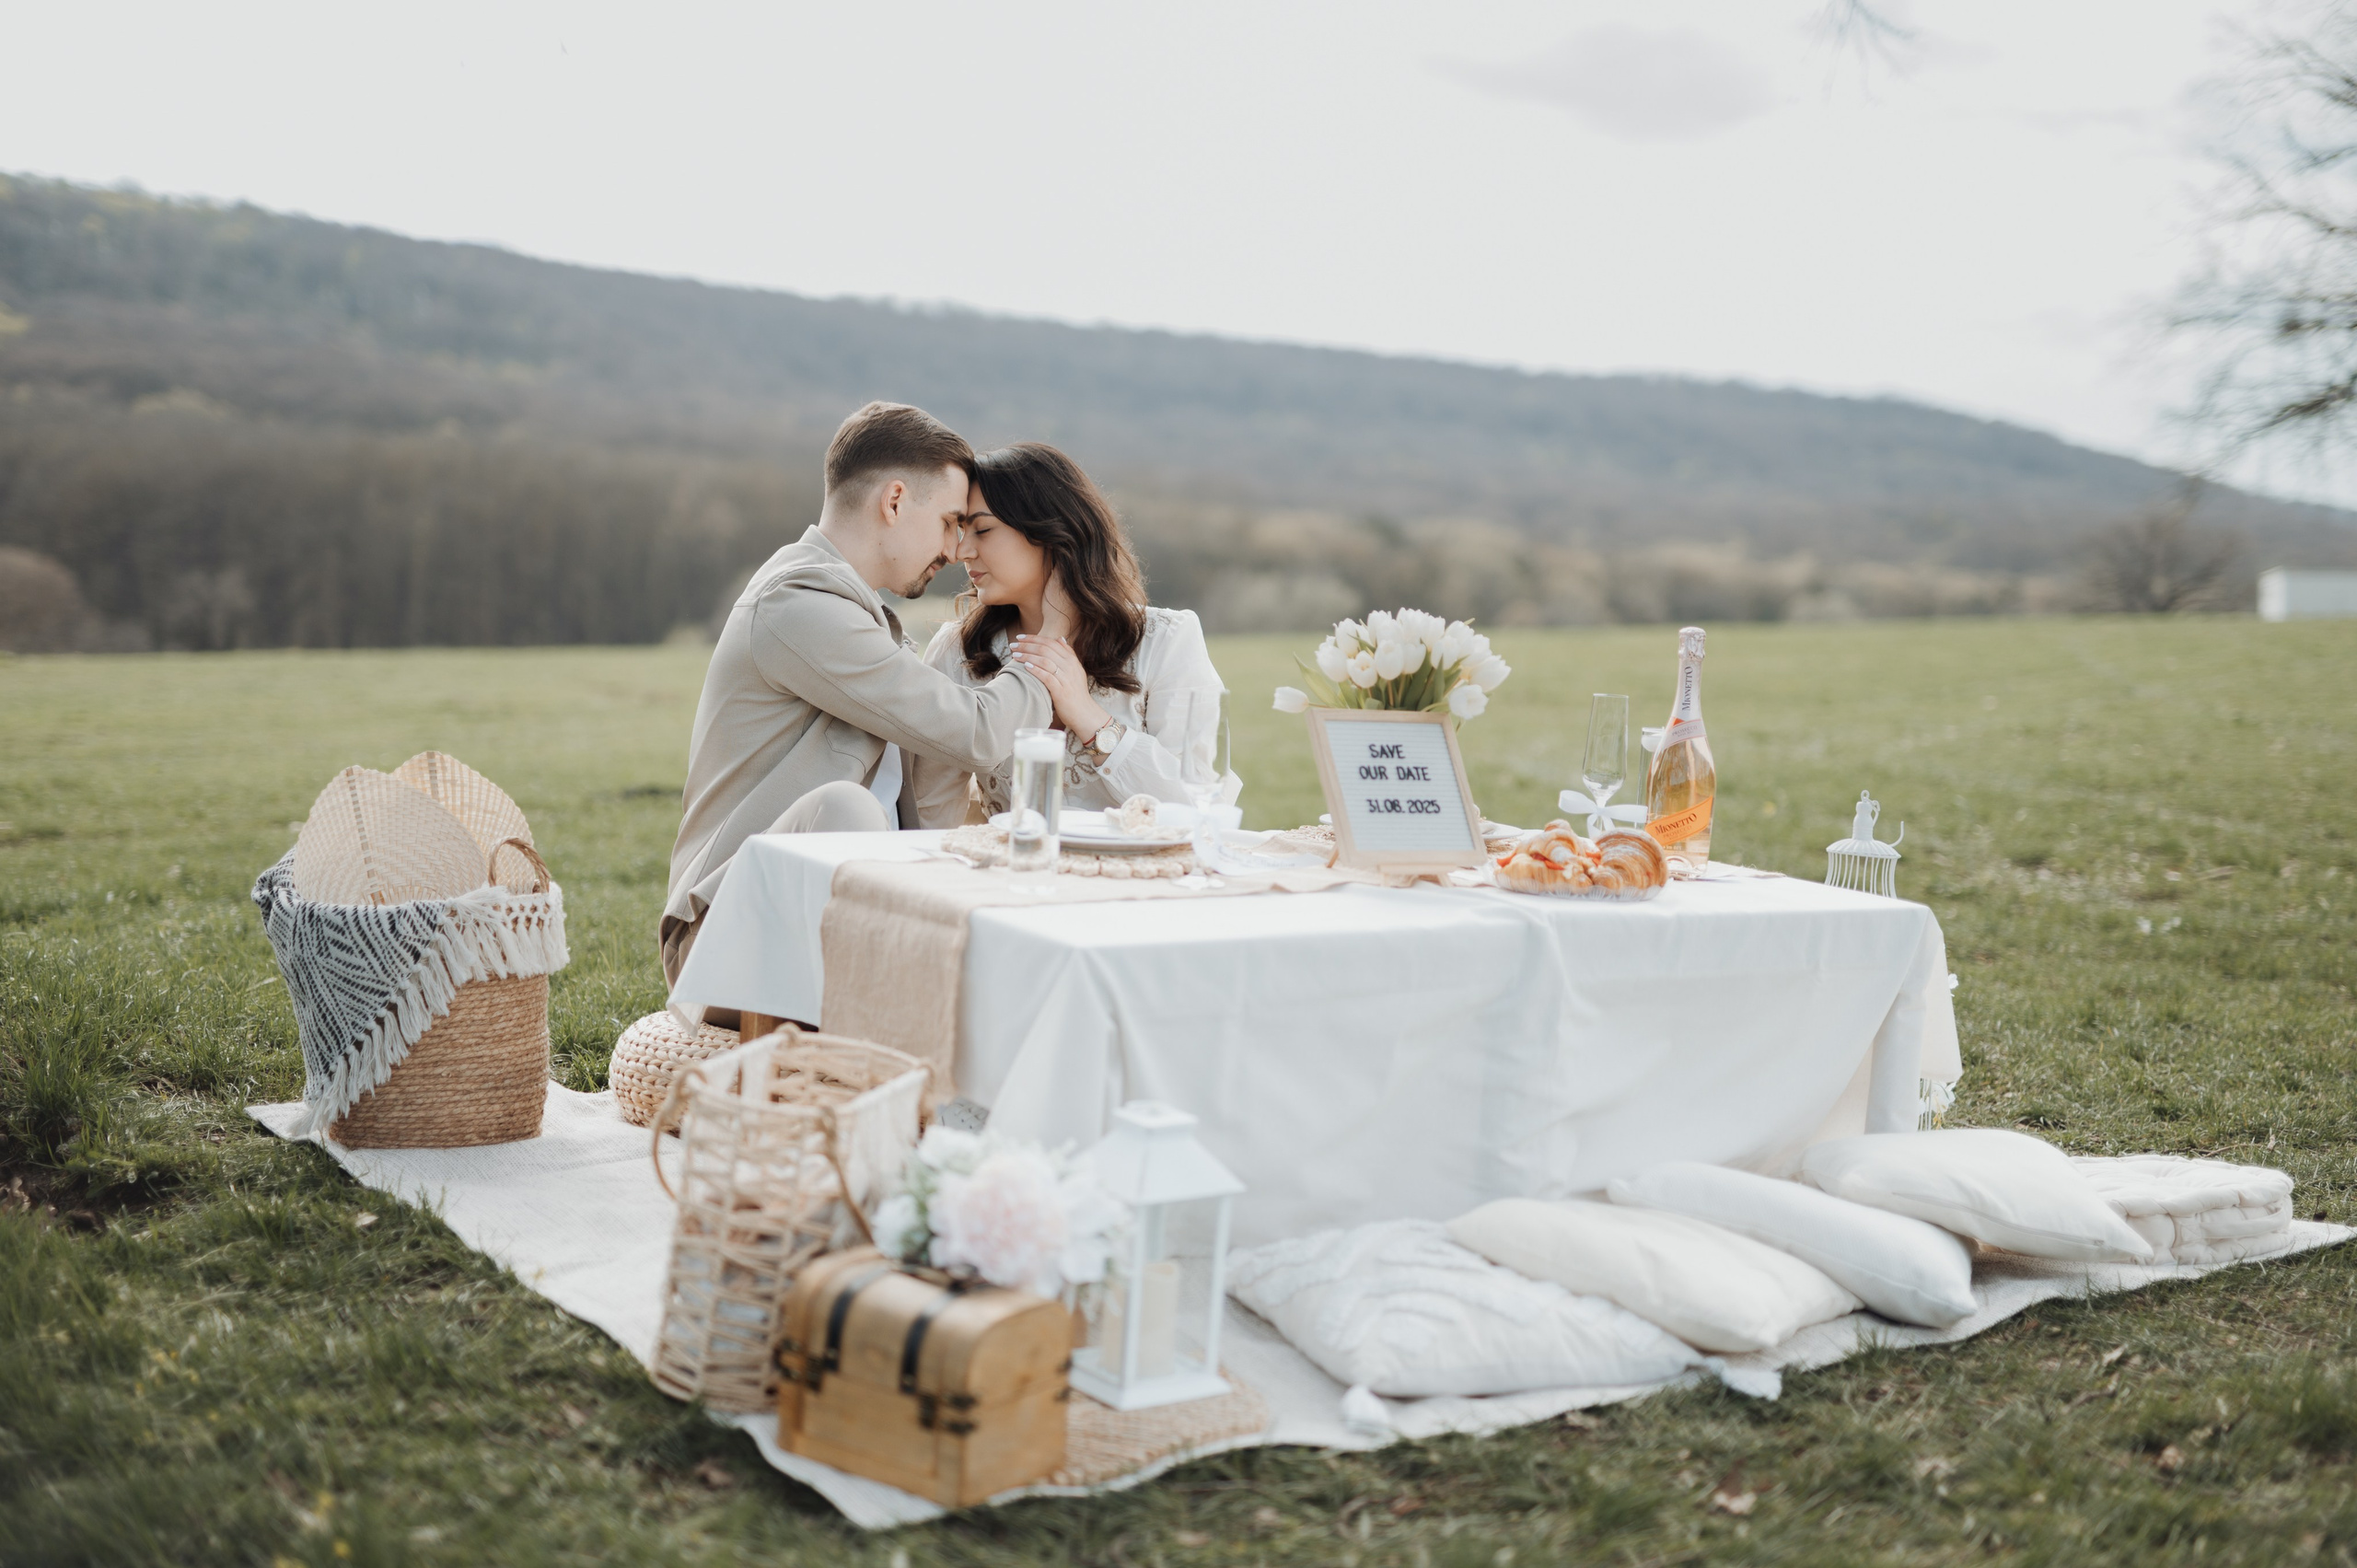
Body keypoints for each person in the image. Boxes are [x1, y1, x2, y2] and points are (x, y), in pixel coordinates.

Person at [661, 402, 1051, 990]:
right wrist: (1049, 645)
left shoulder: (853, 614)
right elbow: (979, 732)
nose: (955, 550)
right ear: (894, 502)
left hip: (822, 926)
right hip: (719, 942)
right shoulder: (798, 606)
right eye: (950, 521)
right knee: (845, 811)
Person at [911, 442, 1228, 827]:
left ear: (1050, 531)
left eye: (983, 529)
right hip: (1015, 864)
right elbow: (929, 813)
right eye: (962, 530)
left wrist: (1088, 716)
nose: (962, 551)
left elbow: (1193, 806)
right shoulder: (957, 651)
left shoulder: (1166, 641)